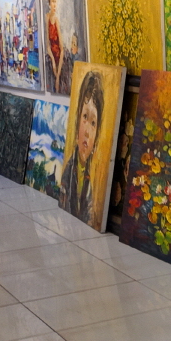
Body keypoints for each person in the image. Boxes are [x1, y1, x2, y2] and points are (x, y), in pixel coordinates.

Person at [60, 70, 105, 227]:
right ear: (78, 118)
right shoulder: (68, 174)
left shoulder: (89, 183)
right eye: (85, 117)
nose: (87, 131)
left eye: (93, 123)